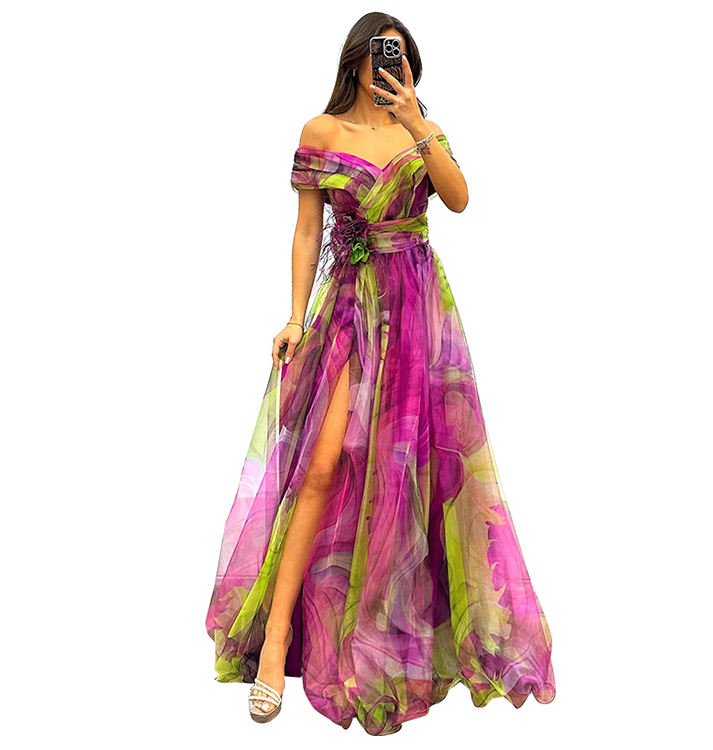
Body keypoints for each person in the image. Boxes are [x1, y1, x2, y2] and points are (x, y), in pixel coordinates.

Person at [205, 12, 555, 736]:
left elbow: (458, 199)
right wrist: (293, 316)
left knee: (411, 474)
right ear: (355, 63)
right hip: (348, 309)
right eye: (378, 56)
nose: (388, 67)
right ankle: (274, 641)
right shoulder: (322, 131)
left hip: (417, 308)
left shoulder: (422, 130)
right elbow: (308, 229)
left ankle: (388, 649)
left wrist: (419, 122)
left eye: (399, 57)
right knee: (323, 465)